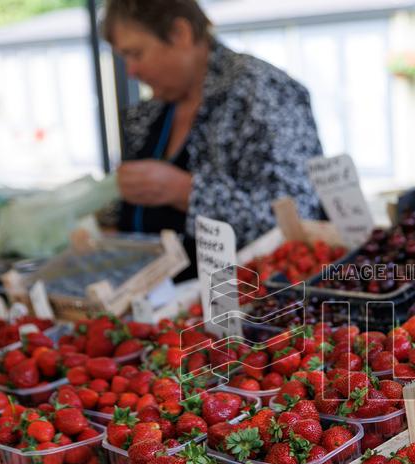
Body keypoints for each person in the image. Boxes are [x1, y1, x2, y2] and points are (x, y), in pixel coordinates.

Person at [103, 0, 323, 274]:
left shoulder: (262, 92)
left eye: (136, 53)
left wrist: (186, 192)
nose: (131, 71)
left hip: (242, 301)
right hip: (153, 303)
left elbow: (297, 223)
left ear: (180, 33)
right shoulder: (153, 110)